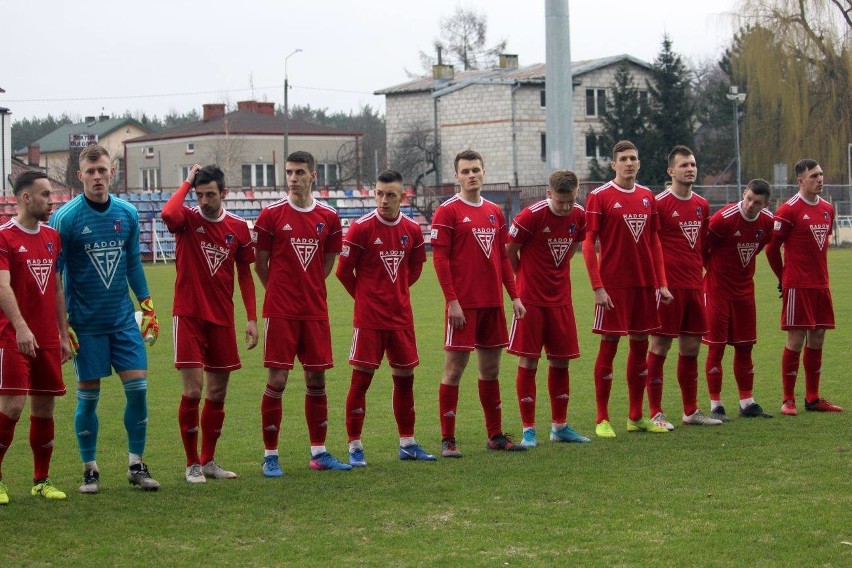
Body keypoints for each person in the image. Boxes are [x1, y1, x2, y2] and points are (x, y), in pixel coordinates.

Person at [50, 144, 160, 493]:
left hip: (123, 321)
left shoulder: (127, 214)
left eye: (103, 170)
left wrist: (147, 306)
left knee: (139, 391)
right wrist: (62, 325)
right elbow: (56, 275)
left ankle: (136, 464)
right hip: (86, 325)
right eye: (90, 171)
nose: (97, 176)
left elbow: (132, 264)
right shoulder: (66, 218)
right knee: (89, 396)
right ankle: (90, 468)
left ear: (112, 173)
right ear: (80, 175)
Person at [255, 150, 351, 474]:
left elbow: (326, 264)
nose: (293, 178)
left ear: (313, 176)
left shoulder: (330, 217)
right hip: (280, 312)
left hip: (314, 311)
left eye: (299, 172)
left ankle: (319, 453)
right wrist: (282, 291)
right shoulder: (271, 215)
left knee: (316, 377)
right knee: (278, 379)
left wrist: (305, 288)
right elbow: (261, 264)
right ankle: (270, 456)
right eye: (289, 172)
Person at [162, 164, 258, 483]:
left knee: (217, 393)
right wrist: (187, 181)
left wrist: (252, 319)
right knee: (193, 390)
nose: (203, 200)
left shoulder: (238, 228)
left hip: (222, 320)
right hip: (188, 315)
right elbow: (167, 213)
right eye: (199, 194)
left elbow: (245, 274)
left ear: (224, 193)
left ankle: (208, 461)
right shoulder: (187, 220)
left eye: (210, 194)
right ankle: (191, 463)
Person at [336, 169, 436, 466]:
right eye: (379, 193)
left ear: (402, 196)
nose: (383, 200)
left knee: (405, 379)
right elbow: (343, 272)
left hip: (400, 319)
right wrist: (367, 299)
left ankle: (407, 443)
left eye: (390, 194)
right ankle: (355, 446)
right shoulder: (360, 229)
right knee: (361, 381)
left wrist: (398, 293)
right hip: (369, 321)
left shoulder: (413, 230)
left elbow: (416, 267)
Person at [431, 149, 527, 457]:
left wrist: (514, 297)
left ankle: (495, 435)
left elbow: (502, 256)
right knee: (454, 369)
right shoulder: (447, 211)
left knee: (491, 369)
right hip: (463, 306)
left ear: (484, 173)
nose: (472, 175)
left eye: (476, 169)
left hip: (492, 305)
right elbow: (440, 260)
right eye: (466, 171)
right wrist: (453, 301)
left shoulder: (494, 211)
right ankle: (448, 439)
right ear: (457, 176)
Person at [583, 140, 672, 438]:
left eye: (633, 158)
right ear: (613, 164)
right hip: (614, 286)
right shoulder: (599, 196)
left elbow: (655, 242)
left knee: (639, 346)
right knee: (609, 347)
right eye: (623, 159)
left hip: (644, 285)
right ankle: (602, 418)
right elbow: (587, 243)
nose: (629, 163)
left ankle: (635, 416)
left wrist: (661, 282)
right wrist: (598, 286)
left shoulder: (648, 196)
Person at [0, 172, 73, 504]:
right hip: (12, 336)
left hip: (45, 336)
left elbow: (56, 288)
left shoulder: (52, 237)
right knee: (13, 406)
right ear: (25, 198)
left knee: (44, 409)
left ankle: (41, 480)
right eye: (45, 195)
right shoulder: (4, 236)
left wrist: (61, 333)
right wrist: (21, 327)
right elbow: (2, 286)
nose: (51, 200)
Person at [506, 169, 590, 447]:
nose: (565, 207)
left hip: (561, 299)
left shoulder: (579, 216)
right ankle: (528, 429)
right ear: (549, 194)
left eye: (570, 201)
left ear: (577, 193)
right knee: (528, 360)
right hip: (530, 301)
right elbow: (509, 252)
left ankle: (560, 426)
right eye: (560, 201)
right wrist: (522, 283)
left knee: (561, 360)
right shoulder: (530, 216)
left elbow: (575, 246)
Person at [645, 146, 721, 429]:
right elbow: (650, 246)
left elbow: (701, 245)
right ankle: (656, 412)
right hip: (667, 288)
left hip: (693, 285)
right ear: (671, 171)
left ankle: (691, 411)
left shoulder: (702, 204)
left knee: (691, 348)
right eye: (684, 165)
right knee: (660, 346)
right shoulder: (659, 203)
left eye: (693, 164)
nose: (690, 169)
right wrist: (659, 283)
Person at [766, 159, 843, 414]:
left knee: (818, 338)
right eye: (814, 176)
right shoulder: (788, 210)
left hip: (821, 284)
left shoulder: (827, 209)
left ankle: (813, 398)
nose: (820, 179)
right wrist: (783, 278)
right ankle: (788, 399)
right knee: (796, 339)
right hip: (797, 285)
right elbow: (771, 248)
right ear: (800, 180)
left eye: (821, 174)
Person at [702, 179, 775, 420]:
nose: (750, 205)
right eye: (748, 199)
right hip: (717, 290)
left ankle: (747, 401)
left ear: (766, 205)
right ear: (743, 194)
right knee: (717, 346)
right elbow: (703, 247)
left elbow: (760, 246)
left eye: (757, 203)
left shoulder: (767, 222)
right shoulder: (724, 218)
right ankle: (716, 404)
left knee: (745, 346)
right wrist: (713, 273)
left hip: (745, 291)